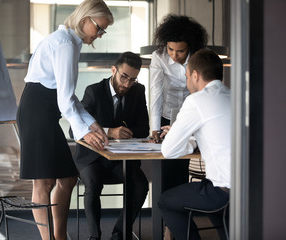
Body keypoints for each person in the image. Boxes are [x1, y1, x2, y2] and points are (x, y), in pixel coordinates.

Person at [16, 1, 113, 239]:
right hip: (38, 111)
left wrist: (91, 122)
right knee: (44, 182)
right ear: (85, 21)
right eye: (99, 29)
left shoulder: (69, 42)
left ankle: (58, 236)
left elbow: (67, 96)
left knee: (67, 178)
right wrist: (83, 132)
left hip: (43, 109)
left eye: (104, 31)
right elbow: (65, 99)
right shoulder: (65, 45)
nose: (100, 35)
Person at [72, 52, 149, 240]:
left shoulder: (138, 91)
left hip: (120, 160)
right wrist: (109, 132)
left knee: (140, 186)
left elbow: (144, 128)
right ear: (113, 70)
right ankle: (94, 237)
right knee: (93, 184)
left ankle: (119, 233)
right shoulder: (93, 91)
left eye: (133, 79)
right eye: (124, 77)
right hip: (92, 158)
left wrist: (127, 131)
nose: (127, 84)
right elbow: (76, 129)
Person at [157, 49, 230, 240]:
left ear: (195, 75)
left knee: (165, 201)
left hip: (222, 192)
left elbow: (168, 150)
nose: (187, 80)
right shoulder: (235, 97)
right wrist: (192, 140)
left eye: (187, 75)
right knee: (217, 212)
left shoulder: (196, 101)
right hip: (250, 187)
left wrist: (180, 138)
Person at [149, 14, 209, 191]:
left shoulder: (199, 57)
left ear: (189, 47)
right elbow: (156, 92)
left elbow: (202, 92)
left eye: (180, 51)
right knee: (167, 164)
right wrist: (155, 127)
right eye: (170, 49)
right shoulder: (158, 57)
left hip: (191, 116)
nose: (174, 55)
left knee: (183, 163)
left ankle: (180, 204)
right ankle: (168, 206)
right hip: (167, 115)